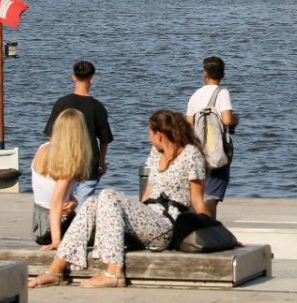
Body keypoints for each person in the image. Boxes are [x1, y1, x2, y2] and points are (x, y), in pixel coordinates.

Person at [29, 110, 209, 289]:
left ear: (159, 135)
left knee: (108, 194)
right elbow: (147, 194)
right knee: (93, 201)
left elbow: (197, 200)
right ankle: (56, 270)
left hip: (167, 225)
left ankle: (114, 272)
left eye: (149, 132)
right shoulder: (156, 153)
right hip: (148, 219)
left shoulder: (190, 155)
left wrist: (210, 230)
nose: (148, 137)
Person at [42, 60, 113, 204]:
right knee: (83, 205)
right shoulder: (97, 107)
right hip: (89, 164)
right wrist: (101, 163)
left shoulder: (61, 103)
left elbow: (52, 136)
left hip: (64, 161)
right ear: (92, 79)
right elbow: (104, 140)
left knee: (61, 203)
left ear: (73, 77)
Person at [185, 55, 238, 219]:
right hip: (216, 150)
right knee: (212, 197)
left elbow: (188, 125)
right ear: (222, 74)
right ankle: (209, 229)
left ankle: (196, 228)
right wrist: (236, 119)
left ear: (205, 74)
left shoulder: (195, 95)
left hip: (198, 150)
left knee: (197, 195)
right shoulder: (222, 93)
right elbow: (227, 120)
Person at [30, 108, 90, 248]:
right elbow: (55, 202)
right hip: (54, 225)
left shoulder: (43, 149)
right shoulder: (67, 162)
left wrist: (73, 202)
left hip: (39, 223)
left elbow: (48, 190)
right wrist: (56, 240)